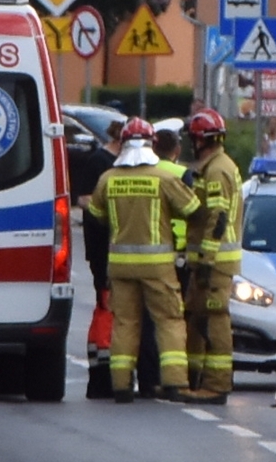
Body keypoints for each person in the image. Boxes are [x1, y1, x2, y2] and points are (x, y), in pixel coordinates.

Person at [86, 118, 204, 403]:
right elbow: (193, 210)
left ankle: (121, 386)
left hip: (120, 266)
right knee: (169, 321)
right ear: (151, 143)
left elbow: (96, 216)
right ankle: (175, 382)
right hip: (158, 266)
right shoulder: (163, 179)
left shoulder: (108, 178)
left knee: (125, 323)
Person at [183, 108, 243, 403]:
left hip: (216, 261)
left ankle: (217, 385)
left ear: (200, 140)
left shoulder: (218, 170)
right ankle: (192, 380)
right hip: (208, 260)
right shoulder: (214, 166)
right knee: (196, 317)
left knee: (215, 318)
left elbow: (217, 218)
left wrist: (206, 261)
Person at [71, 120, 121, 398]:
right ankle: (101, 372)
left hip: (112, 247)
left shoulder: (116, 162)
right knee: (106, 306)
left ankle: (106, 367)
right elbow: (84, 199)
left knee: (110, 308)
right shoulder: (99, 161)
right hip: (102, 247)